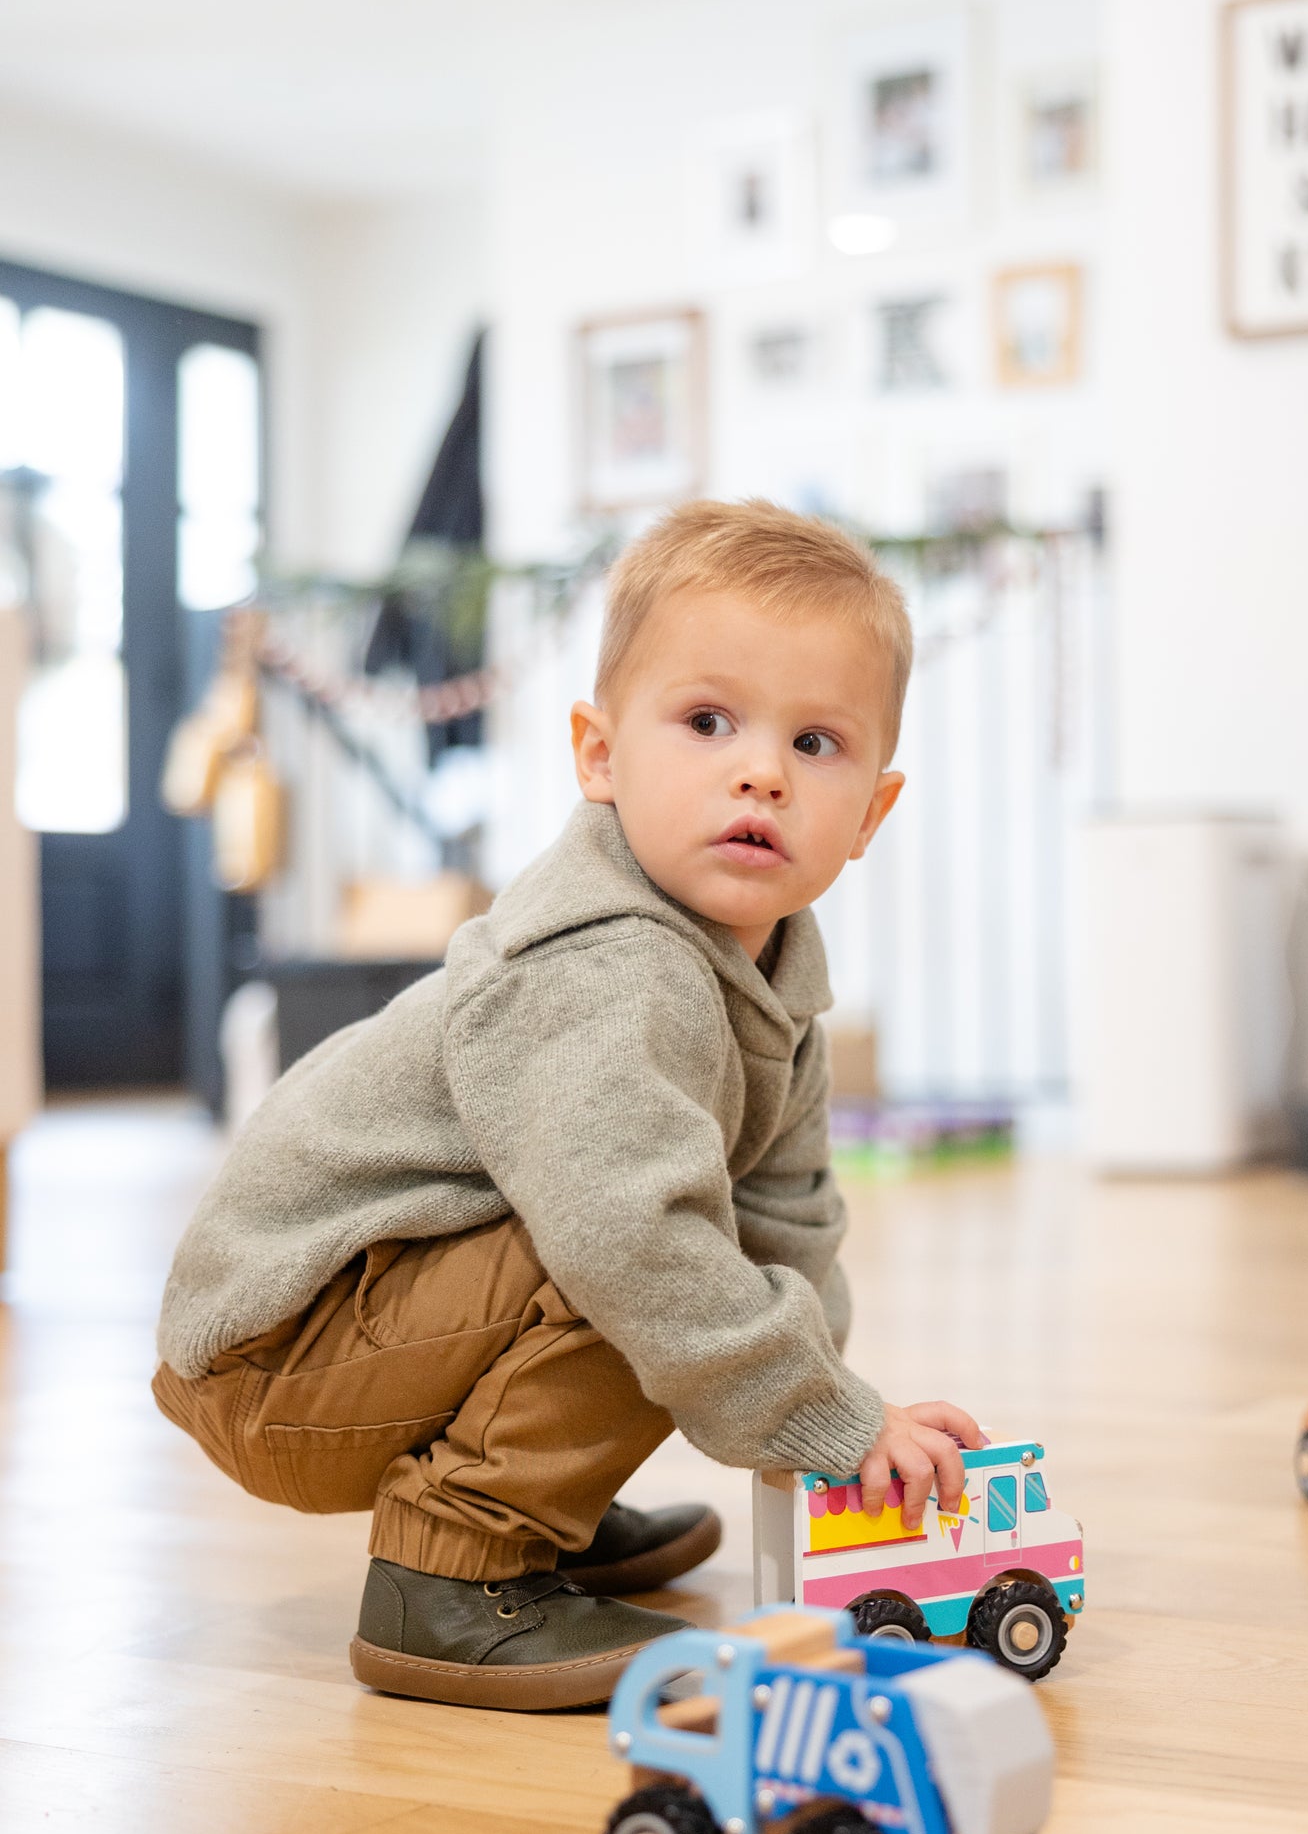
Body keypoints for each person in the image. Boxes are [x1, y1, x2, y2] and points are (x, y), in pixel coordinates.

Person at [152, 499, 981, 1711]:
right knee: (642, 1248)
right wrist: (821, 1417)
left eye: (815, 744)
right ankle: (454, 1565)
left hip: (374, 1313)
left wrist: (834, 1431)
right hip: (275, 1350)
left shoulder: (772, 985)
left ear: (870, 811)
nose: (759, 767)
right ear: (597, 755)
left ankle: (538, 1502)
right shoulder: (602, 964)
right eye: (706, 721)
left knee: (701, 1254)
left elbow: (788, 1225)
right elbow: (634, 1247)